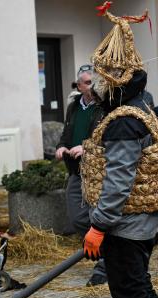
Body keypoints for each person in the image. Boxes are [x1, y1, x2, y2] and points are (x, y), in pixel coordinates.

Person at [81, 3, 158, 298]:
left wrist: (99, 227)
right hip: (142, 225)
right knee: (142, 286)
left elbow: (119, 183)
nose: (98, 88)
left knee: (129, 291)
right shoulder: (142, 110)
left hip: (127, 227)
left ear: (114, 83)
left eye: (102, 81)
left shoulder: (123, 123)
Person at [56, 64, 107, 286]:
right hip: (76, 170)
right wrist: (61, 146)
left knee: (98, 215)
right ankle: (104, 250)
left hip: (96, 171)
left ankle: (105, 263)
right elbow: (67, 132)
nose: (92, 86)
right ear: (79, 86)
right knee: (77, 216)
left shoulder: (104, 106)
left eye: (94, 82)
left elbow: (106, 137)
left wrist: (87, 149)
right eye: (87, 83)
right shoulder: (74, 106)